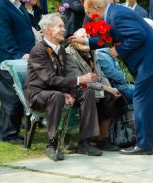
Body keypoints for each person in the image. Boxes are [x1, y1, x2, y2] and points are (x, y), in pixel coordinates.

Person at [70, 0, 153, 155]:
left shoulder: (117, 15)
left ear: (96, 9)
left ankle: (144, 144)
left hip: (150, 60)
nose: (90, 18)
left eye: (89, 13)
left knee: (140, 98)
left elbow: (137, 35)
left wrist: (118, 49)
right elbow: (113, 37)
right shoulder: (115, 12)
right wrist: (87, 42)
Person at [24, 13, 102, 160]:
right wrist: (78, 79)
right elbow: (49, 79)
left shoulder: (60, 49)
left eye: (63, 26)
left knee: (87, 92)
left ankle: (84, 141)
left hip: (55, 92)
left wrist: (68, 92)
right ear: (48, 29)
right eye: (60, 26)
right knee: (57, 96)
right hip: (37, 94)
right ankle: (52, 145)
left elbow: (63, 77)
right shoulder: (38, 50)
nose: (64, 29)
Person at [0, 0, 35, 144]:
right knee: (11, 97)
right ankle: (7, 134)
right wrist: (18, 54)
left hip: (20, 59)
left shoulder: (18, 6)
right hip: (6, 60)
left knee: (18, 96)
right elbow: (3, 37)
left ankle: (12, 131)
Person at [66, 28, 120, 151]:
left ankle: (103, 139)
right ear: (73, 41)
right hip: (77, 89)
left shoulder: (92, 53)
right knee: (104, 96)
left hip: (95, 88)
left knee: (113, 96)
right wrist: (104, 87)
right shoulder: (69, 54)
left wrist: (110, 88)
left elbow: (101, 75)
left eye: (88, 37)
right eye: (83, 37)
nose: (86, 40)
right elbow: (78, 79)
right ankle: (87, 140)